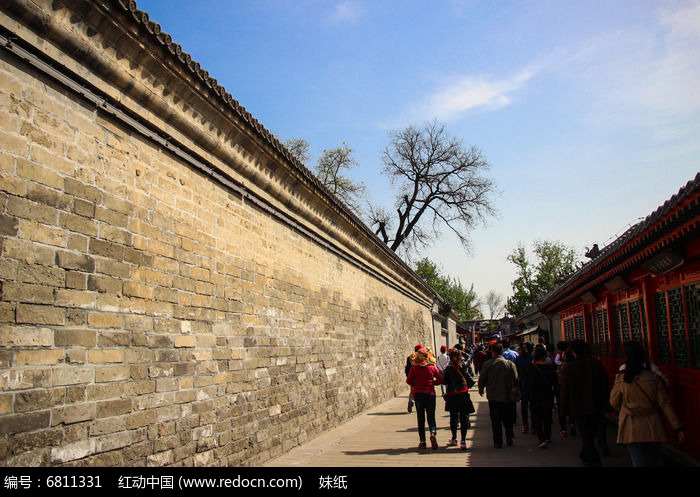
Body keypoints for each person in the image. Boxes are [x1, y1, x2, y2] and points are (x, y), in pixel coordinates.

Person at [609, 341, 685, 467]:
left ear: (626, 357)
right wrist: (677, 427)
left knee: (638, 461)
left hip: (630, 425)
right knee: (653, 461)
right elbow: (665, 403)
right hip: (653, 424)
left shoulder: (622, 379)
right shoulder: (653, 377)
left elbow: (613, 402)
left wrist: (625, 408)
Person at [559, 339, 610, 466]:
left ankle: (593, 458)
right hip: (597, 404)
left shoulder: (569, 367)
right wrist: (607, 403)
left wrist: (563, 408)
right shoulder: (596, 364)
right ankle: (596, 449)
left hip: (579, 406)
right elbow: (605, 385)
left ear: (574, 352)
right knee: (596, 429)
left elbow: (565, 390)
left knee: (586, 433)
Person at [478, 342, 519, 448]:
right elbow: (516, 379)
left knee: (495, 420)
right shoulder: (510, 364)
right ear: (502, 351)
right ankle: (509, 438)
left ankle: (498, 441)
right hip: (507, 396)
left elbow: (482, 378)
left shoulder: (487, 364)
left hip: (493, 396)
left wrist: (481, 388)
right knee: (508, 419)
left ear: (492, 351)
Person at [406, 347, 444, 449]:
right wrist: (433, 382)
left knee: (420, 418)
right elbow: (441, 379)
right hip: (430, 394)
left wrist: (416, 383)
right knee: (431, 416)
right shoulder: (432, 367)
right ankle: (432, 432)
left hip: (418, 394)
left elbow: (409, 381)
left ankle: (422, 441)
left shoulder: (414, 368)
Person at [442, 349, 475, 450]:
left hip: (452, 395)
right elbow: (470, 357)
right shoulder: (463, 365)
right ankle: (463, 441)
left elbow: (444, 381)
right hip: (463, 394)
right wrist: (462, 352)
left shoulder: (448, 368)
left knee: (453, 417)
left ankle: (454, 438)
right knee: (464, 418)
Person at [528, 346, 558, 448]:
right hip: (547, 395)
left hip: (535, 396)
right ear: (544, 357)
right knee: (547, 417)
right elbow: (555, 383)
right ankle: (548, 436)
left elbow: (529, 384)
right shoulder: (550, 368)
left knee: (537, 418)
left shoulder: (531, 368)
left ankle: (541, 438)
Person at [514, 342, 534, 434]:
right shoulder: (531, 358)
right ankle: (528, 425)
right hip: (526, 384)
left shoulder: (529, 358)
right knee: (527, 406)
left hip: (526, 383)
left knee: (528, 406)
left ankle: (529, 425)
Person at [405, 344, 422, 413]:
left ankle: (411, 401)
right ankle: (418, 404)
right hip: (419, 377)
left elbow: (407, 368)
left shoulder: (410, 357)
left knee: (412, 390)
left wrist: (408, 376)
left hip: (411, 377)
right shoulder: (421, 358)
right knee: (420, 391)